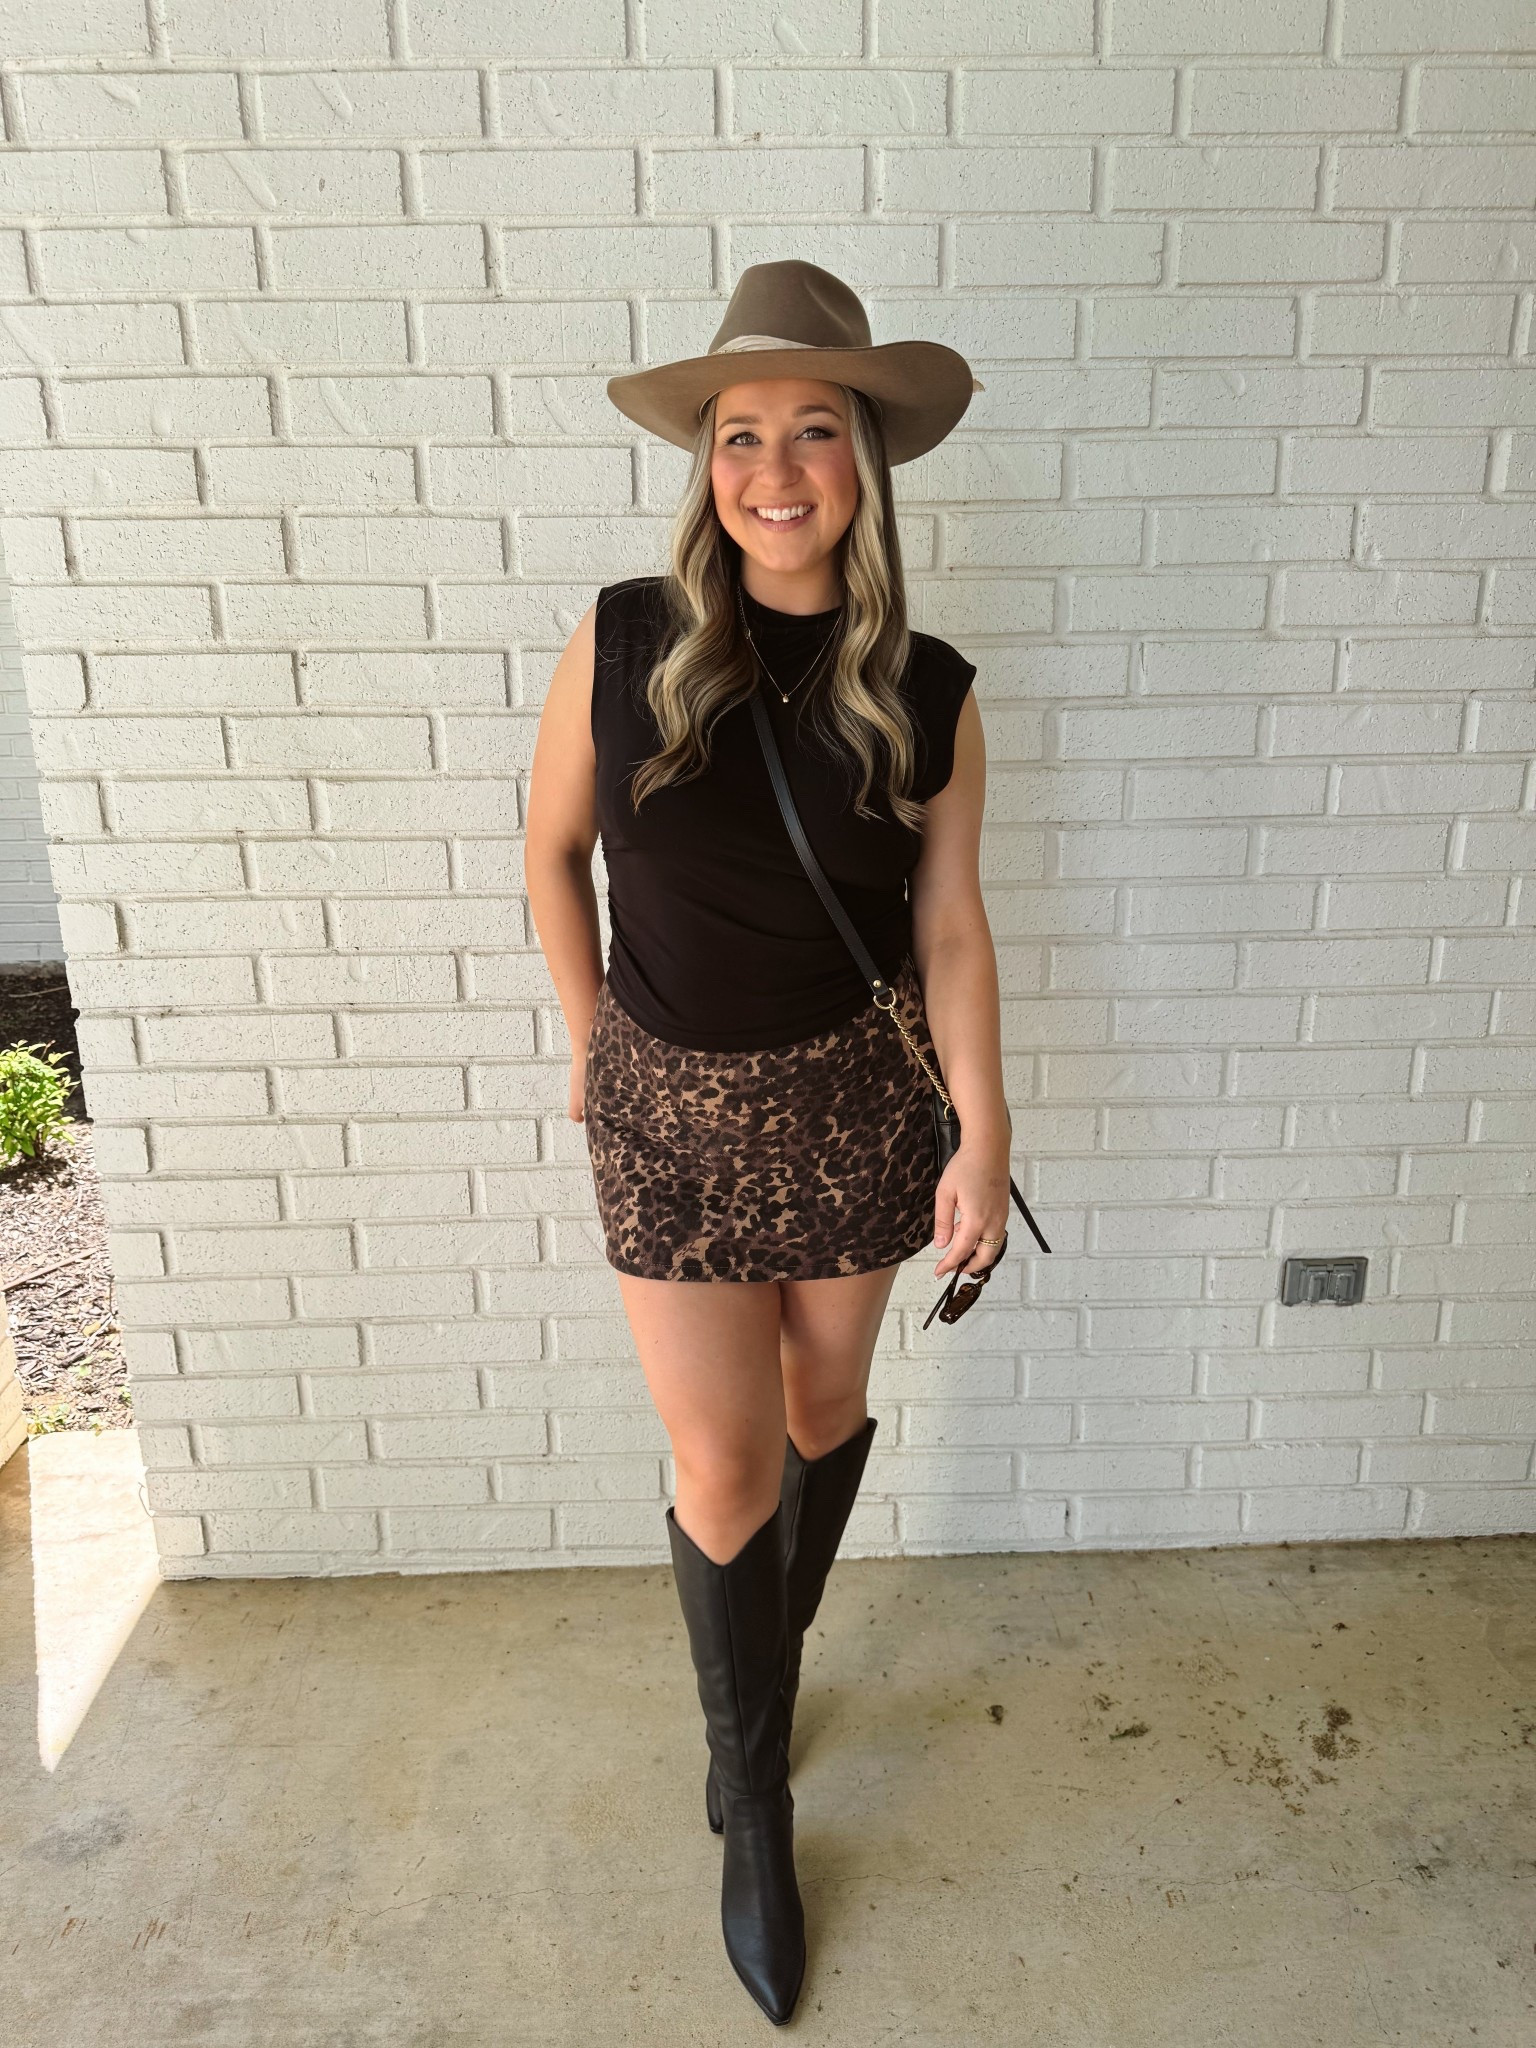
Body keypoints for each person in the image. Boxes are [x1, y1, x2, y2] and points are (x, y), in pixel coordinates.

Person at [525, 260, 1015, 2025]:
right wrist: (593, 1047)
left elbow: (950, 930)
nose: (776, 466)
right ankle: (755, 1796)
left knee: (824, 1411)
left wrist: (984, 1126)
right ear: (708, 464)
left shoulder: (932, 687)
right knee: (724, 1468)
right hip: (668, 1118)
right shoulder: (628, 639)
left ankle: (764, 1658)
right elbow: (548, 856)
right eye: (743, 434)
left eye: (816, 429)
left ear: (865, 462)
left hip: (856, 1113)